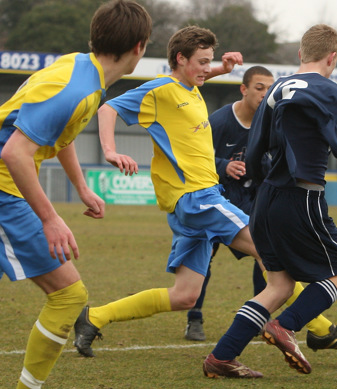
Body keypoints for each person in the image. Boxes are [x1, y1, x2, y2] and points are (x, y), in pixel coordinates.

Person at [73, 26, 337, 360]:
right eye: (202, 62)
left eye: (210, 62)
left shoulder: (189, 88)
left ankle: (95, 316)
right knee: (270, 253)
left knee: (184, 296)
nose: (206, 68)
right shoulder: (161, 89)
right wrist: (110, 150)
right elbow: (107, 109)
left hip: (188, 206)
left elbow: (190, 80)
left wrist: (222, 70)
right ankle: (321, 330)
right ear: (180, 58)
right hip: (198, 198)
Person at [203, 24, 337, 378]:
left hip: (265, 200)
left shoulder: (275, 89)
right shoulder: (329, 92)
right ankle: (286, 326)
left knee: (279, 285)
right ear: (332, 58)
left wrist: (259, 184)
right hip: (301, 197)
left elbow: (255, 147)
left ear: (299, 55)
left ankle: (221, 357)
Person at [0, 1, 152, 388]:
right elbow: (15, 153)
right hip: (4, 186)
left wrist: (81, 187)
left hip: (9, 184)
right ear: (139, 46)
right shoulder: (79, 90)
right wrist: (50, 219)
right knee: (69, 296)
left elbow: (57, 134)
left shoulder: (81, 69)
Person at [185, 65, 337, 356]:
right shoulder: (221, 120)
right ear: (243, 89)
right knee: (204, 261)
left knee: (271, 266)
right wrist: (224, 165)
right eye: (259, 87)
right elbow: (194, 154)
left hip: (253, 200)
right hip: (215, 198)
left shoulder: (272, 118)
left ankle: (294, 326)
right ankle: (195, 318)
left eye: (268, 87)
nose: (264, 93)